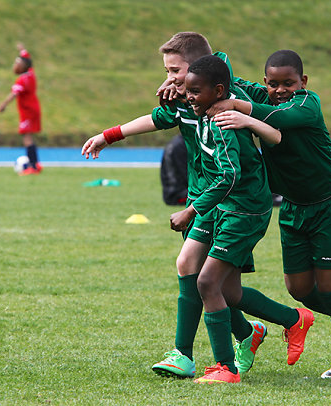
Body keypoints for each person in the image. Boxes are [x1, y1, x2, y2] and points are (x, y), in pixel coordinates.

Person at [82, 32, 271, 379]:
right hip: (206, 194)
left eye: (173, 70)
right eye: (166, 71)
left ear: (199, 72)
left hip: (235, 200)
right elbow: (158, 118)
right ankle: (199, 350)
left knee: (214, 283)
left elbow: (260, 139)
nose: (168, 79)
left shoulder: (221, 97)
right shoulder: (190, 93)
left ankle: (226, 357)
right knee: (197, 272)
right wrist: (109, 135)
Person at [211, 49, 331, 378]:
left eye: (289, 83)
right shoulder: (261, 95)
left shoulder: (308, 104)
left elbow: (278, 119)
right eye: (273, 83)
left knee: (329, 286)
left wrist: (241, 112)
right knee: (298, 289)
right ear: (265, 81)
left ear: (304, 81)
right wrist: (183, 75)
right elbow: (223, 71)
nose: (281, 89)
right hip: (293, 207)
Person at [168, 55, 314, 384]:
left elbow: (230, 175)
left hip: (243, 209)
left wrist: (192, 209)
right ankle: (293, 319)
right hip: (224, 206)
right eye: (185, 88)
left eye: (194, 90)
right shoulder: (203, 109)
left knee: (206, 282)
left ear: (219, 91)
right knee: (229, 292)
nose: (188, 95)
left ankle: (225, 368)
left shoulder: (222, 122)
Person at [0, 43, 42, 175]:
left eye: (17, 64)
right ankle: (36, 164)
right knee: (30, 137)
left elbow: (14, 94)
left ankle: (33, 167)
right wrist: (22, 50)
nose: (15, 66)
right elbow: (27, 58)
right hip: (34, 108)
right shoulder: (31, 73)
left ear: (22, 67)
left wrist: (3, 105)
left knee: (27, 138)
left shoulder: (22, 80)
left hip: (28, 111)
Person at [160, 134, 188, 205]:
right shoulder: (180, 145)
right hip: (176, 196)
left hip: (172, 192)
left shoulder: (177, 141)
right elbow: (186, 174)